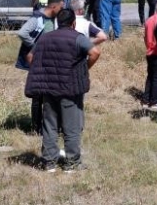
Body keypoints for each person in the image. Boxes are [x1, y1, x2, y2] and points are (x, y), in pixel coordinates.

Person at [25, 9, 101, 173]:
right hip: (70, 89)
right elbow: (95, 52)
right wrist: (85, 68)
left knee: (50, 126)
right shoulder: (77, 38)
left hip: (48, 88)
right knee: (71, 127)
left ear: (57, 22)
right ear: (73, 23)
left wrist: (42, 71)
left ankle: (49, 163)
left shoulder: (45, 38)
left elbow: (30, 57)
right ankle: (72, 164)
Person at [17, 0, 64, 135]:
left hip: (51, 61)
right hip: (38, 62)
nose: (62, 10)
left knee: (51, 94)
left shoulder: (56, 20)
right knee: (38, 95)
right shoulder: (37, 19)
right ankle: (36, 127)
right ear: (54, 6)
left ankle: (51, 124)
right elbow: (22, 33)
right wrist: (36, 45)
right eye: (61, 7)